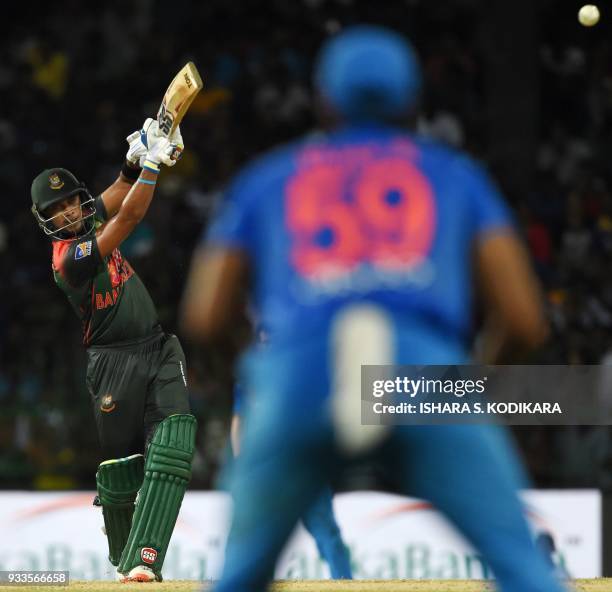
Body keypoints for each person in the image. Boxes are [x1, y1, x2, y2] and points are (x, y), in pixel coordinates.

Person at [180, 25, 566, 592]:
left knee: (237, 579)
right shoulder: (455, 174)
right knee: (524, 569)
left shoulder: (267, 179)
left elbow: (205, 314)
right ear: (414, 102)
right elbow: (527, 318)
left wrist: (267, 370)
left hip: (299, 376)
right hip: (424, 375)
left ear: (322, 102)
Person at [30, 119, 197, 582]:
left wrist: (134, 160)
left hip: (156, 345)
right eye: (57, 209)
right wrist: (152, 167)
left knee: (176, 440)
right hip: (112, 362)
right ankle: (124, 563)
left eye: (70, 201)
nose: (68, 212)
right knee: (122, 474)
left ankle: (145, 561)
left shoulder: (87, 215)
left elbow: (120, 191)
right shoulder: (69, 258)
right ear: (47, 219)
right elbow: (129, 217)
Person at [231, 328, 352, 579]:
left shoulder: (302, 370)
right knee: (258, 539)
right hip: (273, 466)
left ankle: (344, 582)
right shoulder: (253, 377)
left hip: (302, 461)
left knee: (325, 532)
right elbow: (238, 422)